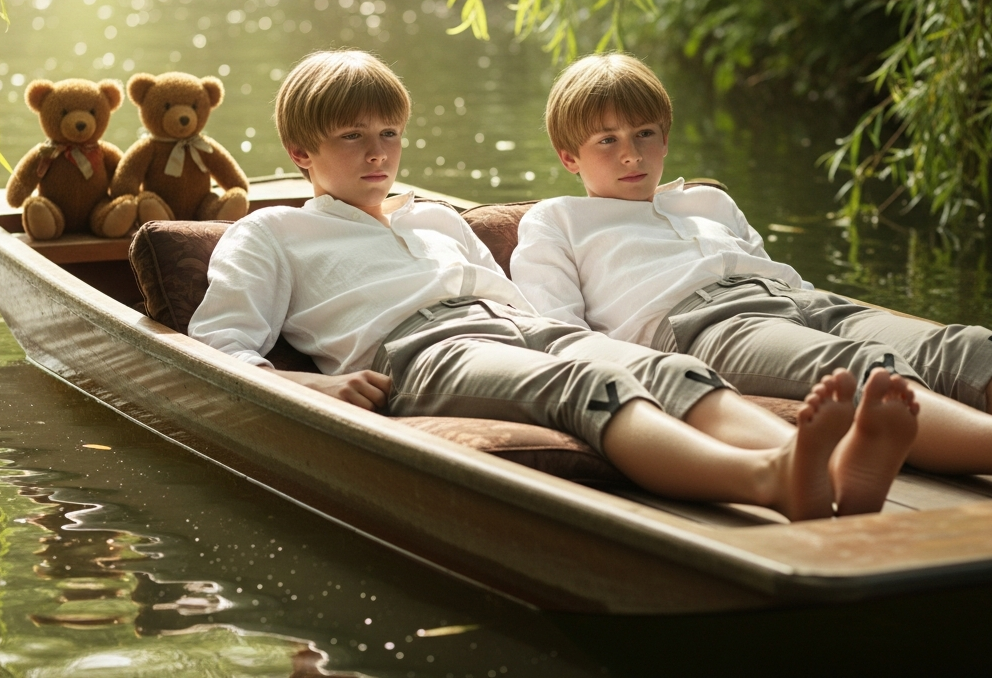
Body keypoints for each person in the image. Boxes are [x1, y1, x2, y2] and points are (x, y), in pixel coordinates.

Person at [187, 49, 920, 521]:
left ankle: (823, 469)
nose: (378, 152)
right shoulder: (272, 232)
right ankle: (767, 477)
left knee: (660, 368)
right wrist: (315, 388)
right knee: (581, 389)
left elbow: (528, 305)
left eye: (389, 133)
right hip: (424, 352)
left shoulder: (437, 220)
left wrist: (570, 339)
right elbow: (218, 345)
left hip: (521, 330)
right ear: (299, 151)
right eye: (353, 136)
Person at [510, 53, 992, 507]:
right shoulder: (558, 221)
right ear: (571, 156)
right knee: (862, 370)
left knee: (960, 343)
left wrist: (809, 306)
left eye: (645, 135)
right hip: (707, 328)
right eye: (607, 141)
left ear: (665, 135)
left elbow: (779, 273)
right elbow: (562, 334)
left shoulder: (707, 200)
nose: (632, 155)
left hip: (795, 297)